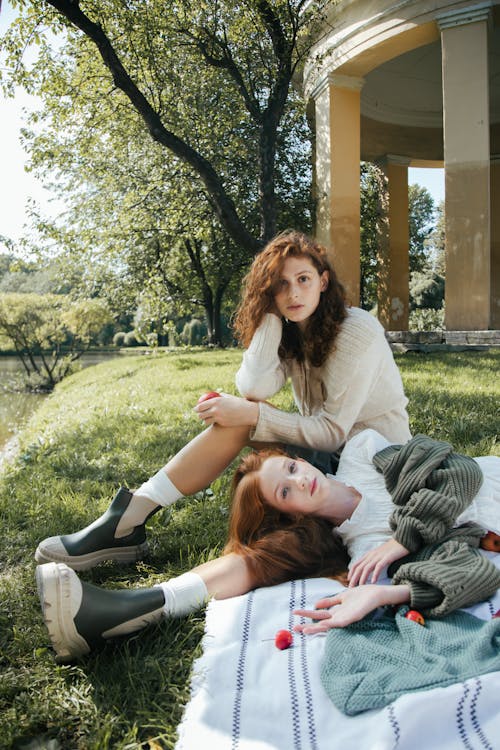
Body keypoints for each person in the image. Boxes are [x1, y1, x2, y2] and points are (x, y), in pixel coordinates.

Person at [35, 229, 410, 574]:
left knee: (244, 418)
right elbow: (255, 386)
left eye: (303, 280)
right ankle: (131, 515)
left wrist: (250, 412)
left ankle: (127, 521)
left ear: (323, 282)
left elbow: (331, 431)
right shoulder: (294, 329)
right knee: (240, 418)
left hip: (377, 468)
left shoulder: (355, 330)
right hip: (330, 462)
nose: (293, 293)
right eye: (280, 285)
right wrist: (268, 321)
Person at [36, 429, 500, 661]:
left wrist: (404, 540)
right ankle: (125, 610)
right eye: (286, 492)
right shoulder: (364, 551)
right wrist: (386, 591)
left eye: (294, 470)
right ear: (290, 515)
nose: (303, 482)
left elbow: (458, 470)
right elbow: (472, 572)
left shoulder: (362, 452)